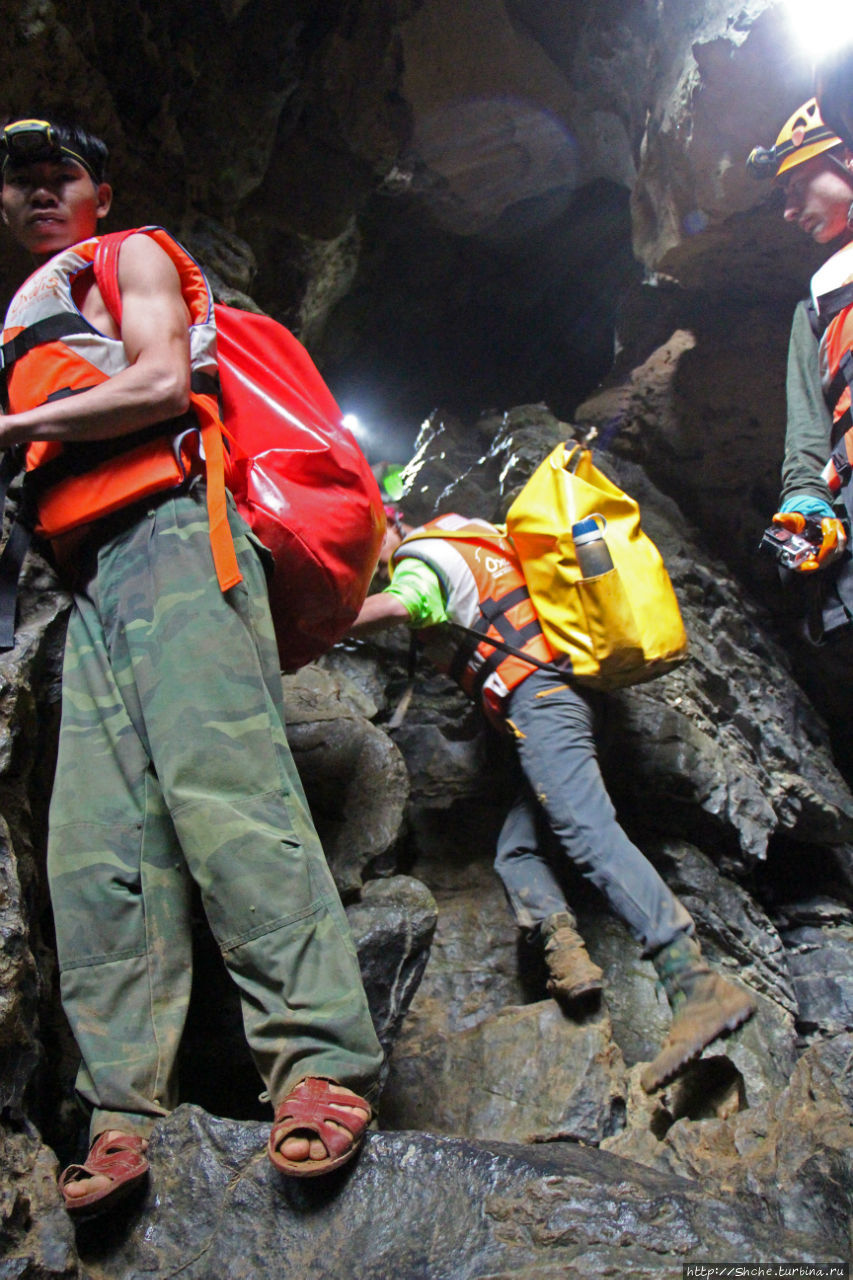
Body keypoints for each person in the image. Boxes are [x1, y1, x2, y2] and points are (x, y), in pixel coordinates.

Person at [0, 118, 383, 1213]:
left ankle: (320, 1063)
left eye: (56, 175)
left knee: (229, 793)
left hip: (175, 530)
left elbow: (165, 383)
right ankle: (121, 1112)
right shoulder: (26, 313)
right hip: (91, 579)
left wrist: (8, 422)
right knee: (97, 850)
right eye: (16, 181)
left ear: (98, 193)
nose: (34, 192)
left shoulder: (124, 257)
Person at [350, 508, 756, 1093]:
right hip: (570, 695)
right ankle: (568, 959)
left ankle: (694, 985)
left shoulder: (417, 560)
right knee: (518, 851)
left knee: (588, 833)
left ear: (386, 528)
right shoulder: (473, 536)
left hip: (542, 703)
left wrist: (308, 627)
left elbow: (402, 604)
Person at [748, 99, 853, 623]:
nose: (788, 211)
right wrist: (807, 504)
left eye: (796, 186)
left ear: (846, 158)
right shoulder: (816, 304)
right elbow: (808, 439)